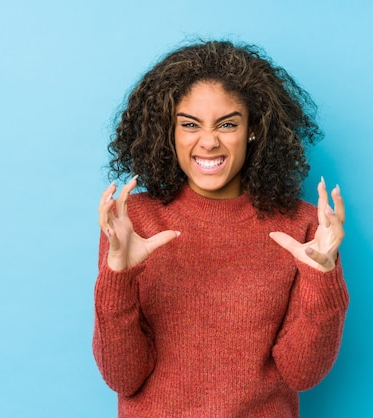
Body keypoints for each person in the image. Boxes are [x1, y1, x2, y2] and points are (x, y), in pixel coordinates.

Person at [93, 40, 349, 417]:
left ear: (253, 130)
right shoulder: (134, 222)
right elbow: (122, 377)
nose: (208, 141)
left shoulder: (304, 227)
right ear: (170, 132)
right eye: (190, 125)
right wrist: (119, 276)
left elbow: (302, 374)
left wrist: (323, 276)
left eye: (227, 124)